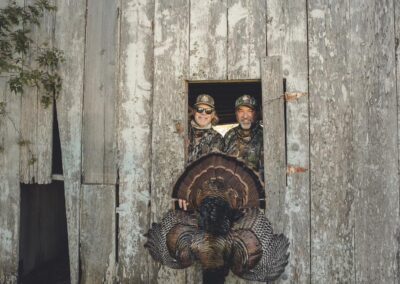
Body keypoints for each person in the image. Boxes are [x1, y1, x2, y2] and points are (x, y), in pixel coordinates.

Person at [179, 94, 223, 210]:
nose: (203, 113)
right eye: (200, 109)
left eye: (208, 111)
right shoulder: (182, 133)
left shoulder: (217, 138)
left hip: (205, 198)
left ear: (213, 115)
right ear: (194, 111)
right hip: (179, 196)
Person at [223, 94, 264, 176]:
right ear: (236, 113)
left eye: (250, 111)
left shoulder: (264, 135)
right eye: (241, 111)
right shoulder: (229, 136)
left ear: (256, 113)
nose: (245, 116)